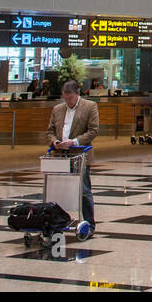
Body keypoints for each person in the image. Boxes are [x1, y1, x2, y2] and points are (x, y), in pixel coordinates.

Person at [46, 79, 99, 233]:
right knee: (58, 189)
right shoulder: (57, 109)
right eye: (65, 98)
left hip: (80, 154)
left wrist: (74, 142)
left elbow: (93, 130)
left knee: (83, 190)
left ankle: (89, 224)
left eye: (70, 98)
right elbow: (49, 131)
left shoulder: (90, 107)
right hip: (60, 155)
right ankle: (58, 220)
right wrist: (54, 141)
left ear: (77, 94)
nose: (67, 101)